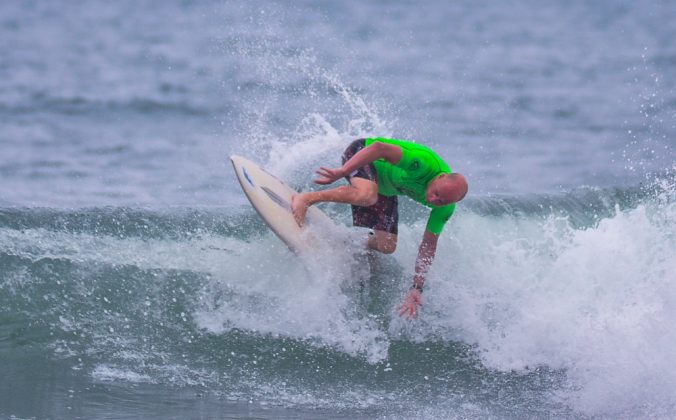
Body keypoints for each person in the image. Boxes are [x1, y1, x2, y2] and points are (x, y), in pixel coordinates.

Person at [291, 137, 468, 319]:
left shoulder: (445, 207)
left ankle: (345, 239)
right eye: (436, 193)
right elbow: (379, 148)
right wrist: (342, 171)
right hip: (362, 154)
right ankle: (306, 198)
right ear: (440, 177)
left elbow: (428, 246)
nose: (433, 200)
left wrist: (417, 288)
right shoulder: (422, 163)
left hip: (385, 188)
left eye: (441, 201)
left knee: (387, 245)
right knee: (367, 194)